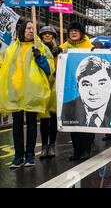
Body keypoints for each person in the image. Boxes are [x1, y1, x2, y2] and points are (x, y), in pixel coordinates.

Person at [0, 20, 55, 169]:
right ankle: (18, 157)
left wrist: (40, 58)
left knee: (31, 124)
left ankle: (30, 155)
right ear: (22, 30)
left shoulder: (41, 47)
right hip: (16, 92)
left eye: (34, 28)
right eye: (29, 28)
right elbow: (3, 65)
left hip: (33, 91)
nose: (31, 31)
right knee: (17, 125)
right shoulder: (11, 48)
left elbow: (50, 68)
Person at [56, 21, 98, 161]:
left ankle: (86, 149)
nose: (73, 32)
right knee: (72, 121)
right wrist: (56, 54)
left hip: (86, 90)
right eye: (71, 30)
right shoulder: (62, 48)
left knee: (85, 120)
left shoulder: (90, 47)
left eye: (76, 30)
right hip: (70, 89)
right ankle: (77, 150)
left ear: (81, 33)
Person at [61, 55, 111, 128]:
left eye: (101, 83)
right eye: (86, 84)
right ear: (78, 86)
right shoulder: (66, 109)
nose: (93, 92)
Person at [38, 26, 58, 159]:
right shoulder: (37, 49)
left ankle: (52, 146)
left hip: (55, 85)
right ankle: (44, 146)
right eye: (44, 34)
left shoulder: (58, 49)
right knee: (44, 119)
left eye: (49, 34)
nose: (47, 36)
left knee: (53, 118)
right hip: (42, 85)